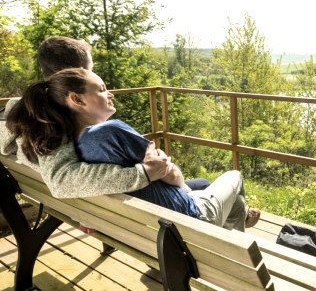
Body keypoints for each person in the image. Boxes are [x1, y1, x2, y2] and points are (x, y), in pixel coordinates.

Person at [7, 68, 260, 231]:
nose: (111, 93)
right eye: (102, 89)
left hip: (136, 229)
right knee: (234, 176)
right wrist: (166, 180)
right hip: (188, 222)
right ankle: (235, 238)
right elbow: (172, 176)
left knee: (229, 199)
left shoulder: (55, 145)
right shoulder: (108, 133)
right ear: (78, 99)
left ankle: (239, 219)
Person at [0, 36, 209, 197]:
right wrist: (144, 174)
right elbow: (61, 179)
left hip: (93, 209)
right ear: (77, 75)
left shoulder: (25, 113)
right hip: (131, 211)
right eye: (90, 70)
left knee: (202, 187)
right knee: (204, 186)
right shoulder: (54, 121)